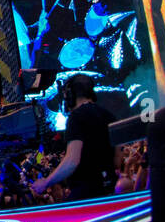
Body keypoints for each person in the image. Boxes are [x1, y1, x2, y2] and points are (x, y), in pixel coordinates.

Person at [32, 73, 116, 201]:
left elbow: (72, 161)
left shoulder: (76, 117)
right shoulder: (109, 116)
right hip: (109, 190)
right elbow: (117, 160)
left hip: (86, 196)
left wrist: (46, 182)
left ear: (70, 96)